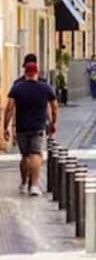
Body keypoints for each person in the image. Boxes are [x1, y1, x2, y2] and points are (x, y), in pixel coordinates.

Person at [4, 61, 58, 195]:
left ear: (25, 73)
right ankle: (34, 185)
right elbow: (54, 107)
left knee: (25, 156)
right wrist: (53, 123)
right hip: (38, 127)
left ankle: (23, 183)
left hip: (21, 127)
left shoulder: (17, 87)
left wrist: (6, 126)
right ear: (37, 73)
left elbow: (9, 108)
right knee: (36, 155)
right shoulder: (45, 87)